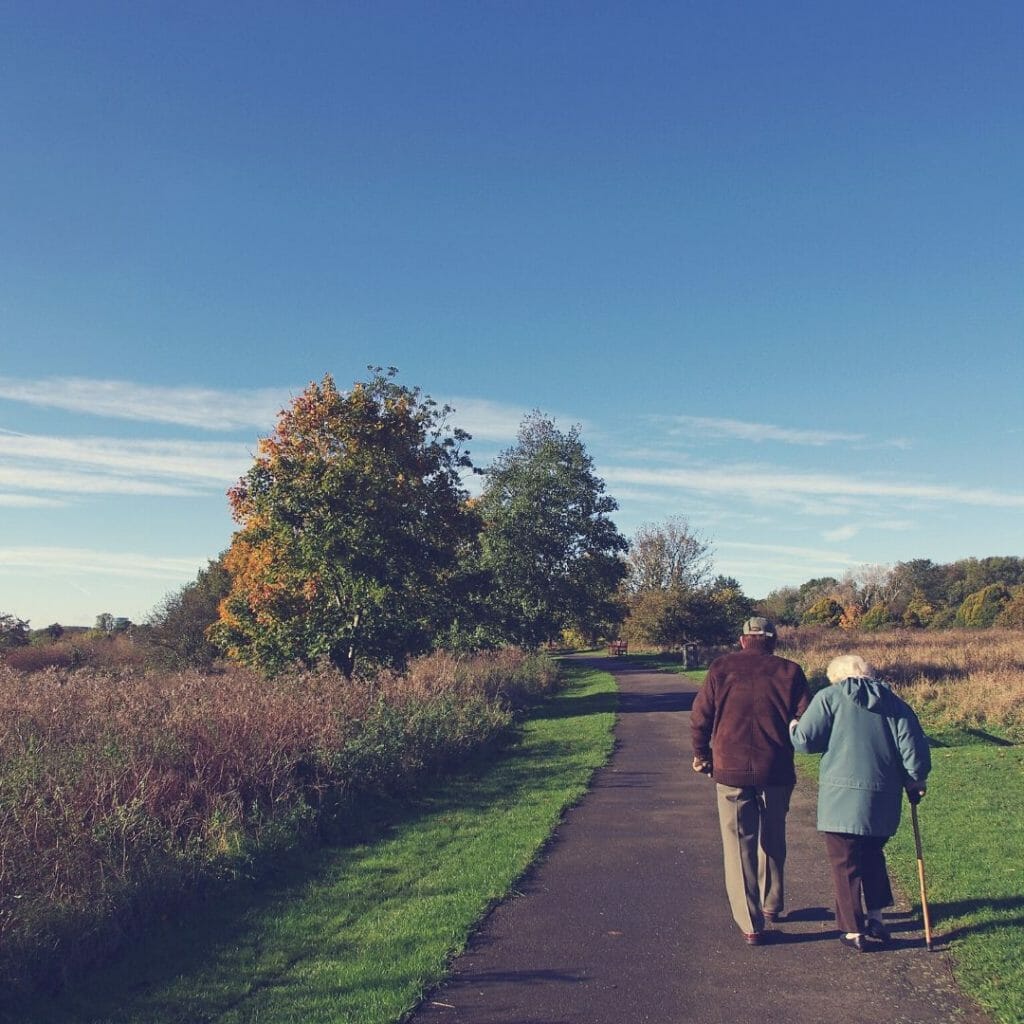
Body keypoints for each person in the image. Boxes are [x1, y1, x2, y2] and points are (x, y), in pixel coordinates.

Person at [790, 654, 931, 952]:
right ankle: (877, 917)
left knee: (845, 862)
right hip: (883, 798)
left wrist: (793, 726)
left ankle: (853, 930)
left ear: (836, 677)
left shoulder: (829, 697)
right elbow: (913, 752)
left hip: (840, 798)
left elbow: (805, 741)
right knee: (872, 854)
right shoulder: (895, 703)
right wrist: (916, 780)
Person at [690, 616, 811, 945]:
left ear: (743, 640)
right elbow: (805, 718)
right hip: (776, 769)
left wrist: (702, 755)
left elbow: (700, 715)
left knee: (738, 845)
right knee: (773, 836)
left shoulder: (721, 668)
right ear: (773, 640)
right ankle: (772, 903)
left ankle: (751, 923)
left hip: (730, 768)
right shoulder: (790, 671)